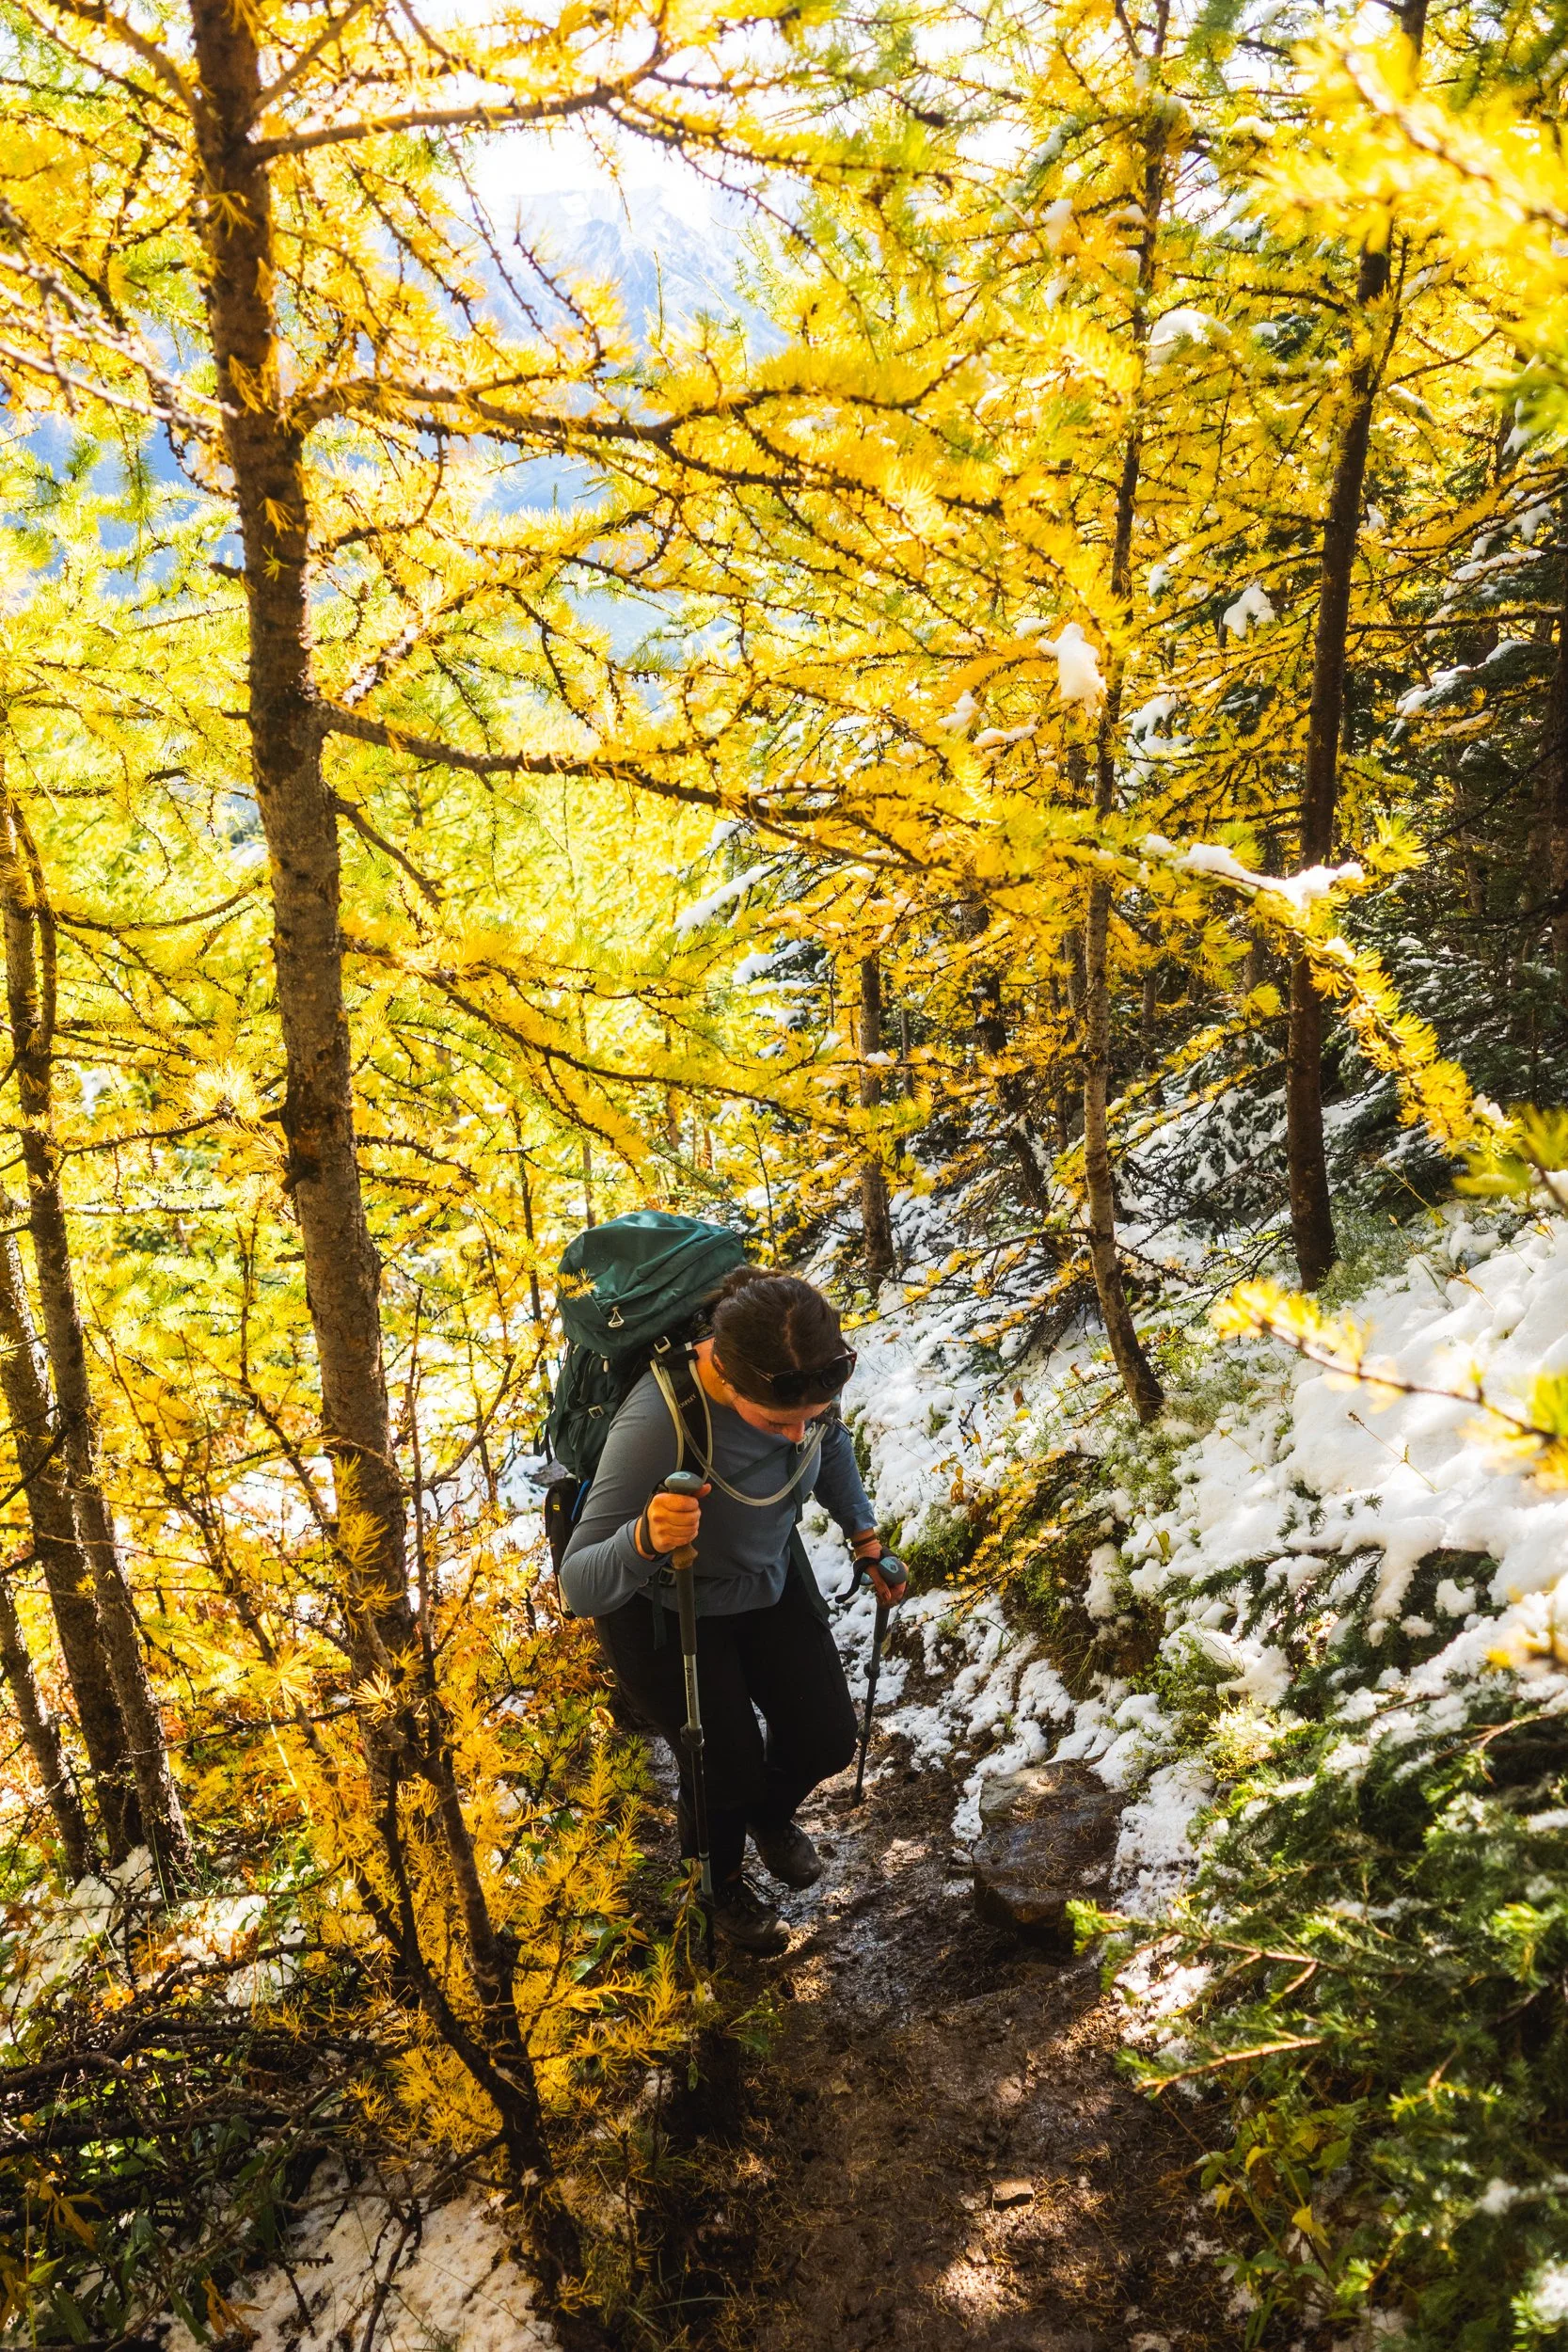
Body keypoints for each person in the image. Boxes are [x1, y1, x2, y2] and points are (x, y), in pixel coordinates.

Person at [560, 1265, 906, 1954]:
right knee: (722, 1769)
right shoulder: (658, 1420)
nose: (792, 1436)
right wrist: (644, 1536)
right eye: (777, 1422)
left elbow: (826, 1442)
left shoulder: (803, 1383)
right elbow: (578, 1585)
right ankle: (718, 1885)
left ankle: (767, 1817)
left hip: (767, 1578)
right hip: (666, 1603)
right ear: (727, 1371)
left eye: (805, 1416)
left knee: (824, 1740)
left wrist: (863, 1535)